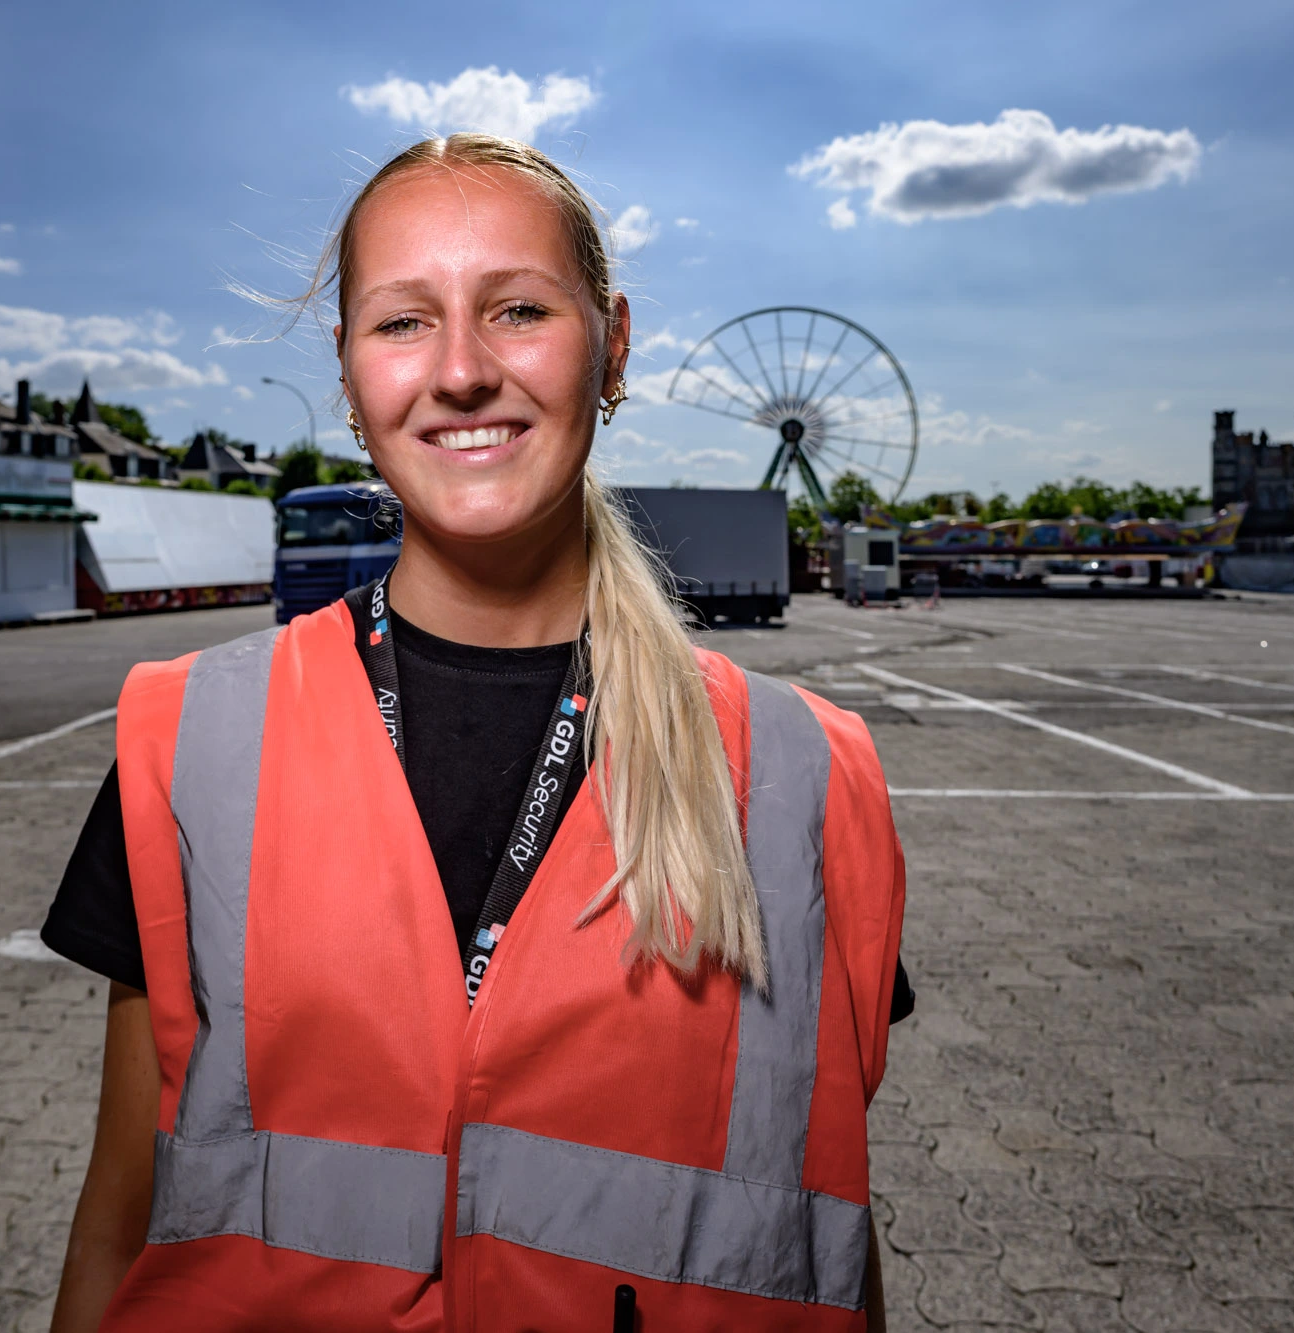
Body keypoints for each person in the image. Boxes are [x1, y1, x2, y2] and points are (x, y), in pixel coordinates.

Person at [44, 133, 910, 1332]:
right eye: (401, 323)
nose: (459, 371)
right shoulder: (188, 745)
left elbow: (826, 1252)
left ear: (610, 344)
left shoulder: (801, 779)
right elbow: (119, 1228)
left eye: (515, 309)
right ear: (347, 380)